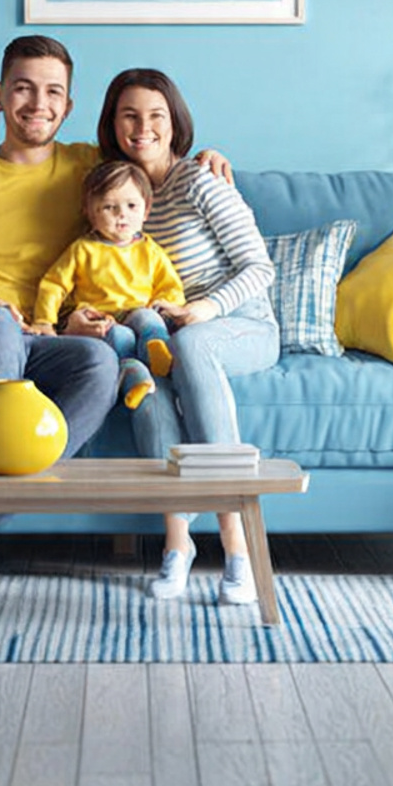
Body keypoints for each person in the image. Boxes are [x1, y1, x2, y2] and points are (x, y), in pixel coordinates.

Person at [0, 36, 231, 596]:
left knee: (98, 360)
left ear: (67, 107)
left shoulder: (89, 168)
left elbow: (152, 162)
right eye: (23, 87)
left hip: (45, 336)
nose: (37, 103)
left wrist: (205, 158)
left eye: (52, 92)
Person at [97, 67, 279, 606]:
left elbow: (259, 266)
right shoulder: (118, 194)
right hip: (167, 332)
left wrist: (205, 308)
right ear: (112, 125)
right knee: (151, 375)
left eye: (156, 115)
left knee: (192, 345)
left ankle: (236, 542)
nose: (143, 127)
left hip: (243, 324)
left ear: (175, 123)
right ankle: (177, 544)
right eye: (129, 115)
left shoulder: (201, 181)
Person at [33, 160, 185, 410]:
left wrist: (167, 304)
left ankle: (156, 354)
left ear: (146, 211)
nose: (121, 214)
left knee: (148, 319)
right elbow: (54, 285)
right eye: (109, 207)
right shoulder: (83, 249)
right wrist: (44, 320)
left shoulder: (150, 250)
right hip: (101, 319)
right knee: (119, 336)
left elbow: (170, 286)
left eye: (131, 206)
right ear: (90, 213)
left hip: (137, 311)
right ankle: (135, 374)